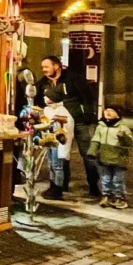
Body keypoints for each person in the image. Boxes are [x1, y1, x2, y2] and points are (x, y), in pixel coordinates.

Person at [37, 56, 100, 196]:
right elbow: (40, 100)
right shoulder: (43, 82)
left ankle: (94, 186)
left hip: (79, 120)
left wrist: (88, 115)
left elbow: (88, 96)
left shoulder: (73, 78)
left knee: (87, 153)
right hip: (60, 122)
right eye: (43, 67)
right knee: (61, 153)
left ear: (57, 66)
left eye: (46, 66)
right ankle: (62, 184)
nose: (44, 70)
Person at [88, 105, 133, 209]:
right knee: (105, 178)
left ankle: (119, 197)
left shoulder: (123, 128)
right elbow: (96, 140)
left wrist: (123, 137)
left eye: (111, 111)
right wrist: (92, 151)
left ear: (117, 114)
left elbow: (129, 143)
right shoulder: (101, 127)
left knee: (118, 179)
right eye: (106, 110)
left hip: (118, 158)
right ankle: (106, 195)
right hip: (104, 157)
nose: (107, 112)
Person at [42, 88, 73, 201]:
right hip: (50, 141)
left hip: (58, 143)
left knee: (57, 166)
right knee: (51, 165)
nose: (44, 98)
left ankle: (58, 188)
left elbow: (65, 129)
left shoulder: (62, 112)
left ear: (52, 98)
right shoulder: (48, 110)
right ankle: (52, 186)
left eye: (47, 96)